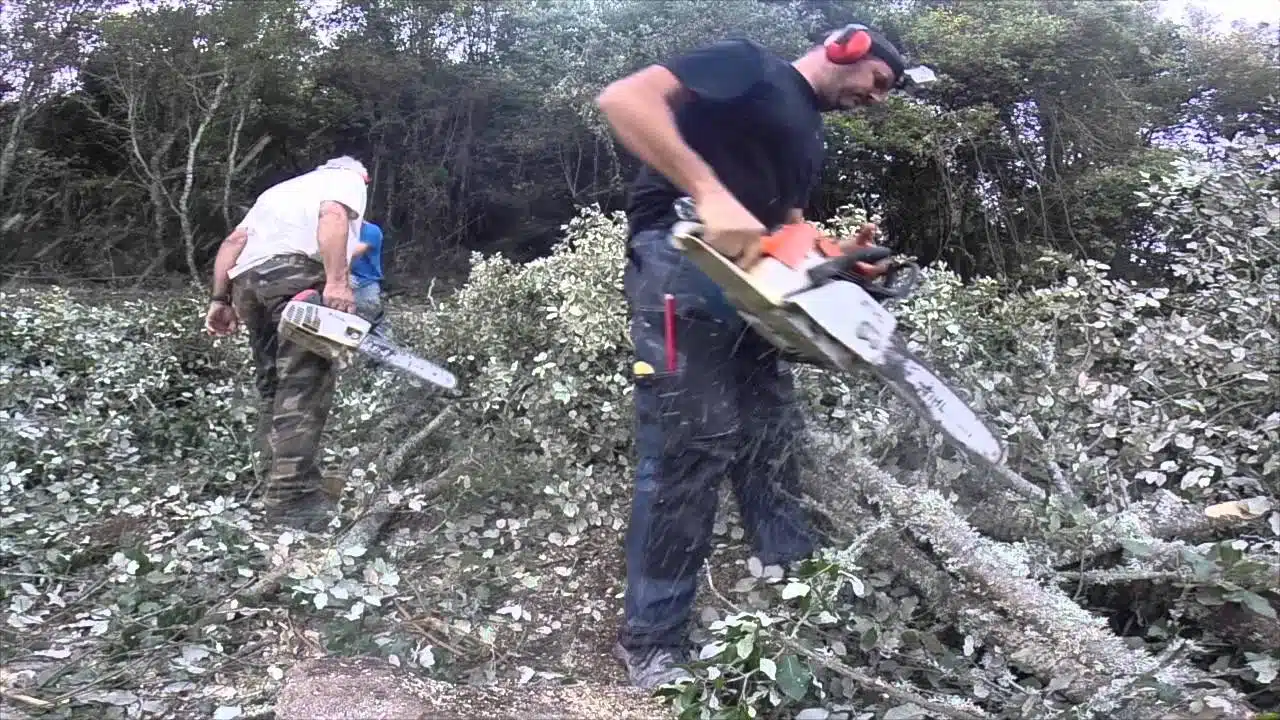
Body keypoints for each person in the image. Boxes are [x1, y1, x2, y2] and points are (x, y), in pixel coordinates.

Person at [594, 24, 907, 688]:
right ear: (847, 47)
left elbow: (783, 231)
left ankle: (800, 591)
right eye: (877, 81)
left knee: (772, 436)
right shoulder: (749, 66)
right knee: (691, 444)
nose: (877, 98)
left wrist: (837, 259)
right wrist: (708, 191)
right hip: (680, 264)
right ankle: (651, 637)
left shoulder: (807, 134)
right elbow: (624, 100)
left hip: (754, 286)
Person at [203, 155, 369, 532]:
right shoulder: (346, 180)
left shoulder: (280, 191)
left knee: (272, 385)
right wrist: (337, 282)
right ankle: (291, 501)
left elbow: (233, 242)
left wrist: (219, 299)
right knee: (303, 385)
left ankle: (269, 477)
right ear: (362, 176)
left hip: (247, 281)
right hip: (294, 277)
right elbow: (332, 217)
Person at [350, 220, 389, 338]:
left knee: (366, 331)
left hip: (365, 286)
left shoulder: (371, 231)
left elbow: (352, 253)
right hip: (345, 284)